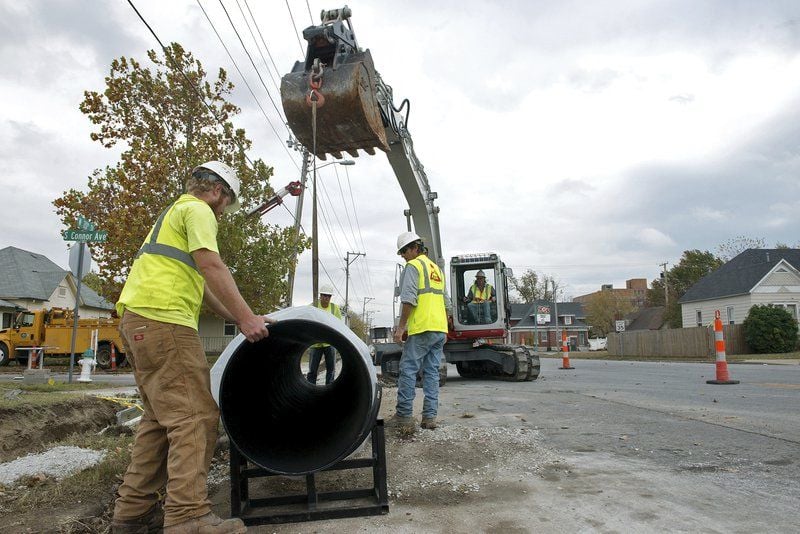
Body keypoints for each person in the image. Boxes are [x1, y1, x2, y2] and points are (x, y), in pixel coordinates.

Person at [111, 161, 270, 534]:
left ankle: (132, 515)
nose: (221, 212)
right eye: (224, 205)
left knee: (158, 420)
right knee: (196, 416)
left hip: (138, 322)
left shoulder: (172, 214)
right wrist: (247, 322)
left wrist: (244, 314)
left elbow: (205, 289)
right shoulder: (198, 210)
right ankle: (188, 517)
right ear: (217, 191)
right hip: (165, 323)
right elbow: (212, 266)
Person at [390, 231, 448, 431]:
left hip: (422, 327)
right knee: (431, 372)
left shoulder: (413, 267)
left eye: (404, 251)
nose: (403, 256)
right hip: (439, 329)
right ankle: (429, 418)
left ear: (415, 248)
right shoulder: (437, 270)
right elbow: (446, 302)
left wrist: (401, 328)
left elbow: (408, 299)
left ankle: (404, 417)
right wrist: (445, 329)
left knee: (408, 370)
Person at [307, 284, 343, 385]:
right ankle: (310, 387)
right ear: (320, 296)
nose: (326, 298)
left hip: (329, 343)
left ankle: (329, 388)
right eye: (324, 295)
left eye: (329, 296)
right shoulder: (313, 306)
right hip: (315, 344)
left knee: (331, 370)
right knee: (312, 370)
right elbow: (307, 320)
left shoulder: (334, 308)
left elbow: (339, 324)